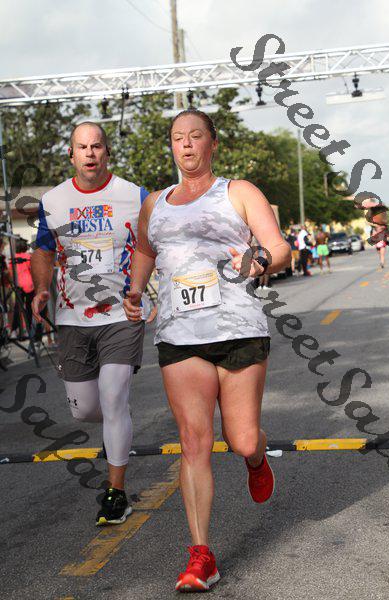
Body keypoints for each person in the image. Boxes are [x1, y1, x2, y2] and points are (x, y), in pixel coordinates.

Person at [123, 109, 291, 592]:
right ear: (172, 146)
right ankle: (201, 555)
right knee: (194, 442)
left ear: (212, 143)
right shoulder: (155, 204)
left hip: (238, 328)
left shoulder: (238, 192)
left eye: (195, 136)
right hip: (179, 334)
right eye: (178, 137)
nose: (186, 144)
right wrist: (135, 290)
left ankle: (256, 459)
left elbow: (279, 248)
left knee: (242, 440)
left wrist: (259, 259)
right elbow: (146, 250)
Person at [31, 121, 149, 525]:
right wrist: (41, 288)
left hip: (121, 313)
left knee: (113, 396)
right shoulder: (53, 200)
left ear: (107, 152)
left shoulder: (134, 195)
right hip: (72, 317)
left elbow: (151, 245)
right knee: (84, 410)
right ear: (71, 155)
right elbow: (44, 250)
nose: (90, 153)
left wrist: (145, 289)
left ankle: (116, 493)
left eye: (97, 146)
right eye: (82, 147)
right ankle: (118, 420)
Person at [9, 238, 35, 336]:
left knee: (17, 307)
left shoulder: (13, 258)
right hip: (29, 284)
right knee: (29, 308)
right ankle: (28, 329)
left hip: (18, 285)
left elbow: (11, 273)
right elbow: (32, 270)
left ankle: (14, 330)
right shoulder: (28, 256)